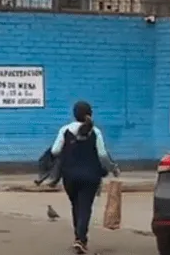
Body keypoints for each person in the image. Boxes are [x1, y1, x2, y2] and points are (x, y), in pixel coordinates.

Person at [51, 101, 120, 254]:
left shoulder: (65, 130)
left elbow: (55, 150)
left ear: (74, 114)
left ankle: (78, 236)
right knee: (85, 207)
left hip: (69, 176)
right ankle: (81, 238)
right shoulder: (95, 132)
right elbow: (102, 155)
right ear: (90, 114)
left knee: (76, 205)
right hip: (91, 176)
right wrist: (112, 168)